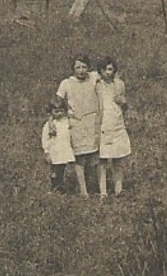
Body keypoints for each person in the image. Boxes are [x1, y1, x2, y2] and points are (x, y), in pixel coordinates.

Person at [54, 54, 101, 197]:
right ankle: (83, 191)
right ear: (73, 68)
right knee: (80, 159)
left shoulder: (93, 78)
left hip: (92, 122)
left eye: (84, 67)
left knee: (95, 158)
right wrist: (52, 121)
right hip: (76, 124)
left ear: (89, 67)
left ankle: (97, 187)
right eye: (78, 67)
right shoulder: (66, 83)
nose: (81, 70)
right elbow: (56, 103)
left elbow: (110, 74)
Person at [95, 57, 133, 198]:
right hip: (103, 124)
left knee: (118, 159)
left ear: (114, 70)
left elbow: (124, 105)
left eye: (110, 69)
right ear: (100, 71)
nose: (107, 73)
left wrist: (124, 103)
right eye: (104, 69)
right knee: (102, 160)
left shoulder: (119, 85)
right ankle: (103, 192)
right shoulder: (97, 85)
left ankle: (118, 189)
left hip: (117, 124)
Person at [41, 100, 79, 194]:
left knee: (65, 169)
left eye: (61, 111)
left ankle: (65, 187)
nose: (59, 113)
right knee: (55, 170)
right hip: (55, 151)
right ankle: (55, 187)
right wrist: (46, 151)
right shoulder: (49, 125)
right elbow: (45, 138)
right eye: (56, 111)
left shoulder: (66, 122)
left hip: (65, 150)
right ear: (51, 112)